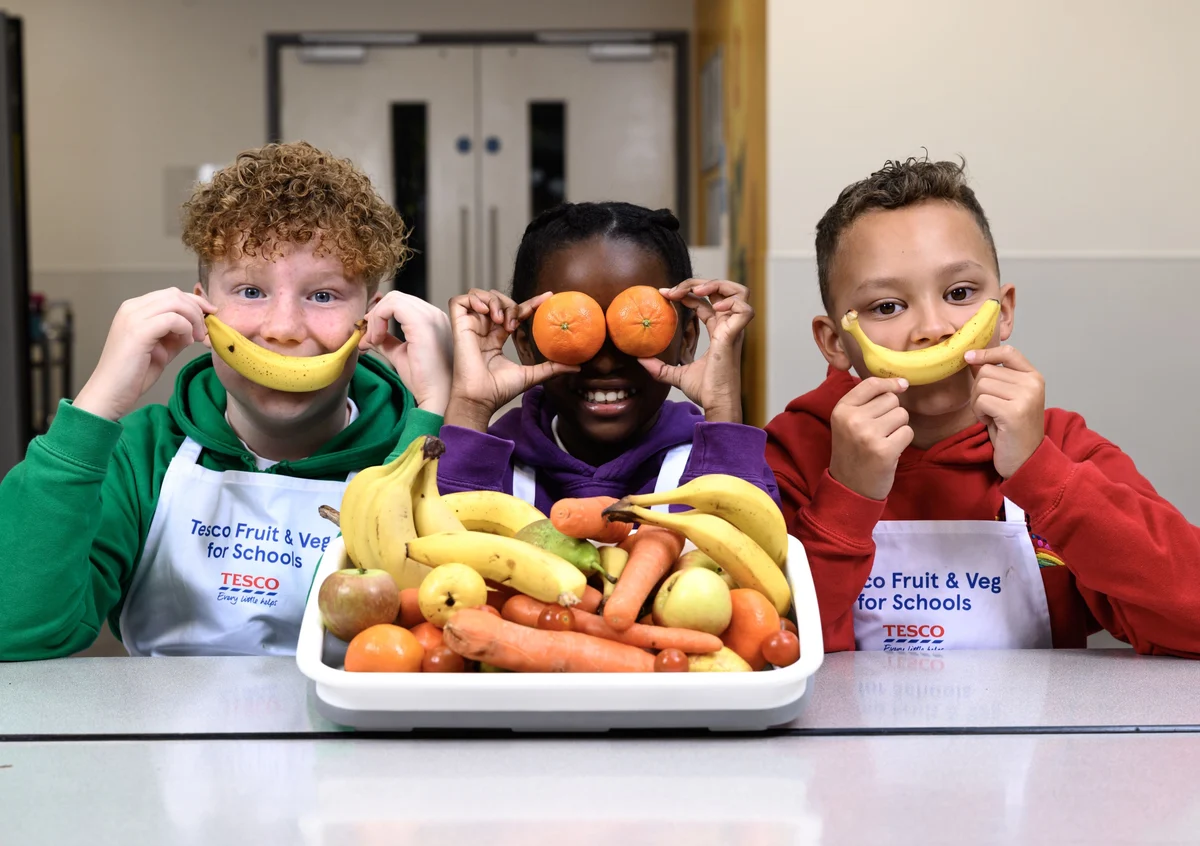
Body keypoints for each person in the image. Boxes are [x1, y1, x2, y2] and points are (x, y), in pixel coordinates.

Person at [0, 141, 452, 660]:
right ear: (201, 308)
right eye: (250, 291)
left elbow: (435, 637)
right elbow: (17, 630)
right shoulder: (143, 455)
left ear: (370, 319)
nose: (283, 329)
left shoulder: (416, 448)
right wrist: (95, 406)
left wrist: (434, 412)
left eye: (322, 295)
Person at [765, 156, 1200, 657]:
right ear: (834, 342)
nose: (934, 327)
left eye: (960, 292)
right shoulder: (795, 456)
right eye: (887, 306)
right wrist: (847, 499)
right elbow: (768, 652)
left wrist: (1045, 477)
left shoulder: (1061, 448)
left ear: (1005, 310)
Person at [437, 201, 778, 510]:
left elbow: (747, 564)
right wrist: (470, 407)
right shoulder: (488, 459)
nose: (605, 362)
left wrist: (722, 407)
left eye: (632, 331)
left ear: (686, 339)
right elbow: (442, 556)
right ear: (526, 344)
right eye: (572, 329)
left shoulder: (722, 456)